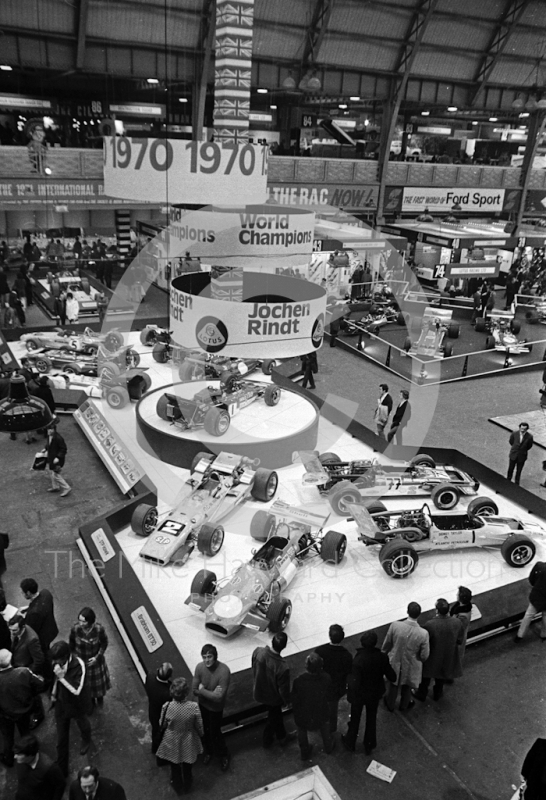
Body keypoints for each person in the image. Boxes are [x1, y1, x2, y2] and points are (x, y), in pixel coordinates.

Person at [341, 631, 396, 755]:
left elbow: (354, 681)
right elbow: (392, 676)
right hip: (374, 694)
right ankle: (369, 744)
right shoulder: (382, 657)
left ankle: (350, 741)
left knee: (355, 718)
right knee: (371, 718)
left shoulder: (358, 660)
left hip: (359, 695)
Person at [49, 640, 92, 777]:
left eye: (59, 660)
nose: (56, 663)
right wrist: (54, 693)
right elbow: (55, 678)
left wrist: (62, 677)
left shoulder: (79, 665)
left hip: (76, 704)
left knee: (82, 723)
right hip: (62, 703)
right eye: (54, 660)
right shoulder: (56, 662)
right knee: (61, 738)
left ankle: (86, 739)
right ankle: (62, 769)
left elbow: (77, 689)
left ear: (67, 656)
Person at [156, 677, 204, 795]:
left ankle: (177, 785)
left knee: (174, 765)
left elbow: (161, 723)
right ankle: (187, 784)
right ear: (186, 693)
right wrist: (201, 734)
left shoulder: (167, 706)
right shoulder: (193, 707)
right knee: (188, 765)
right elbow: (199, 725)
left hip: (172, 738)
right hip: (188, 738)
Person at [381, 601, 430, 711]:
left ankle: (390, 704)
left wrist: (384, 653)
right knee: (407, 685)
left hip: (395, 660)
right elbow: (424, 655)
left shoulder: (395, 625)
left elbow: (387, 643)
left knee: (393, 684)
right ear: (419, 614)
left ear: (407, 611)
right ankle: (404, 705)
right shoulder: (423, 633)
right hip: (412, 663)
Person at [0, 649, 44, 767]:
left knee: (7, 737)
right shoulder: (23, 672)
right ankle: (30, 753)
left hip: (5, 714)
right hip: (23, 711)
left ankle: (8, 758)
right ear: (10, 659)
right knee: (25, 732)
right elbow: (40, 684)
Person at [415, 598, 464, 702]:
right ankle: (437, 693)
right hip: (447, 654)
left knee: (426, 676)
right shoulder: (457, 622)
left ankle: (422, 693)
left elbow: (425, 640)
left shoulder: (430, 624)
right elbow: (459, 640)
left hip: (433, 655)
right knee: (441, 674)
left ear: (436, 610)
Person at [252, 632, 295, 748]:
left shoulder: (258, 652)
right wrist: (287, 701)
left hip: (258, 691)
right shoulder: (282, 667)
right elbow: (283, 690)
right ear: (284, 646)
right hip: (273, 698)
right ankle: (273, 739)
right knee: (275, 715)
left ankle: (279, 737)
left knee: (275, 715)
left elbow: (253, 665)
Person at [192, 643, 231, 771]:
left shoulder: (224, 671)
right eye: (204, 657)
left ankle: (223, 754)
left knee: (215, 732)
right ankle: (209, 751)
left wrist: (202, 691)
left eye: (209, 656)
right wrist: (211, 694)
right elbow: (194, 690)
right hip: (203, 706)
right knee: (206, 731)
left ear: (215, 656)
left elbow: (218, 698)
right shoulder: (199, 668)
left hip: (216, 709)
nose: (206, 660)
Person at [291, 653, 334, 761]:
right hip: (321, 710)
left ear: (306, 667)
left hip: (304, 713)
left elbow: (295, 699)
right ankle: (328, 747)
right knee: (324, 726)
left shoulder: (299, 681)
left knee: (301, 728)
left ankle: (304, 752)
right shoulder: (326, 678)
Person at [69, 607, 111, 708]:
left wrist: (97, 657)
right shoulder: (75, 629)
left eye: (83, 621)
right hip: (82, 662)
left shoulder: (98, 629)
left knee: (98, 685)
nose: (81, 623)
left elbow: (104, 643)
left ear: (90, 621)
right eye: (79, 620)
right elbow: (71, 645)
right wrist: (76, 658)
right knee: (86, 685)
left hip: (95, 662)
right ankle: (91, 700)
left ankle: (99, 698)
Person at [314, 624, 353, 733]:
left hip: (321, 686)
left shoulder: (320, 651)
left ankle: (320, 725)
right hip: (336, 689)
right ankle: (331, 730)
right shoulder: (347, 655)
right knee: (332, 711)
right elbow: (349, 673)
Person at [14, 734, 66, 800]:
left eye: (19, 754)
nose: (15, 757)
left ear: (30, 755)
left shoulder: (50, 768)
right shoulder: (20, 761)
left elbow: (61, 785)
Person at [514, 561, 546, 643]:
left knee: (528, 615)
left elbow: (531, 579)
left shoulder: (540, 566)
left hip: (537, 596)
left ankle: (520, 635)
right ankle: (544, 634)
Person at [145, 662, 172, 754]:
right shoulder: (167, 693)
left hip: (152, 712)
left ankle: (154, 749)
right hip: (161, 716)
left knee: (155, 730)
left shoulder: (150, 677)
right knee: (160, 733)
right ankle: (159, 751)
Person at [45, 420, 71, 497]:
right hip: (52, 458)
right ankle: (55, 486)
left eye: (51, 429)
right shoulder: (49, 436)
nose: (49, 431)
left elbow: (63, 449)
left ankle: (66, 487)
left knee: (56, 474)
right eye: (48, 429)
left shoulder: (58, 438)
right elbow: (48, 444)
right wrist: (45, 448)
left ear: (54, 430)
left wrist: (58, 457)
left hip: (57, 460)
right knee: (52, 472)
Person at [449, 586, 473, 662]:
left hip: (457, 640)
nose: (456, 595)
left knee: (456, 657)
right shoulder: (459, 606)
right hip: (456, 638)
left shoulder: (463, 616)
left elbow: (456, 629)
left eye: (458, 594)